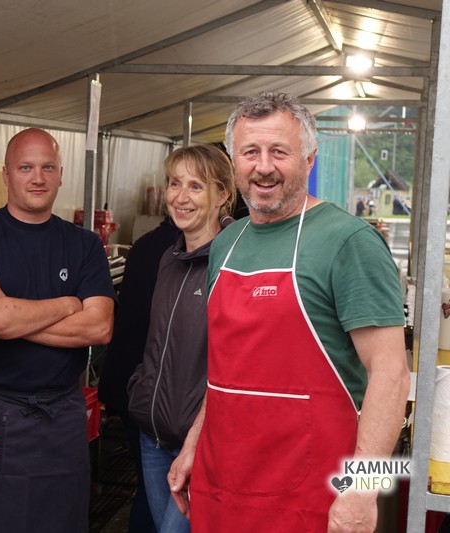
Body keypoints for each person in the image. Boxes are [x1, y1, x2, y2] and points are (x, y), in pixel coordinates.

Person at [168, 91, 410, 532]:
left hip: (313, 498)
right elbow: (225, 372)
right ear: (234, 161)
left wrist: (364, 490)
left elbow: (391, 374)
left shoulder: (348, 241)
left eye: (279, 151)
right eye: (250, 152)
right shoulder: (227, 243)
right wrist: (192, 445)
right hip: (221, 484)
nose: (263, 167)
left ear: (309, 159)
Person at [0, 127, 116, 533]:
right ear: (6, 174)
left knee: (62, 523)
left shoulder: (85, 245)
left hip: (62, 413)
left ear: (61, 175)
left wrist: (10, 313)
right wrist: (67, 304)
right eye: (25, 168)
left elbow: (99, 327)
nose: (37, 178)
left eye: (47, 167)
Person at [126, 144, 235, 533]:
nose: (181, 197)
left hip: (201, 444)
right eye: (175, 184)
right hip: (153, 437)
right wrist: (141, 391)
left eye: (196, 186)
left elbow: (234, 365)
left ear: (222, 195)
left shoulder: (233, 262)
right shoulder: (169, 259)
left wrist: (197, 434)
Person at [97, 214, 178, 533]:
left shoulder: (145, 244)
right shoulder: (183, 250)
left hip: (131, 386)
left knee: (147, 489)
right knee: (163, 492)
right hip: (155, 394)